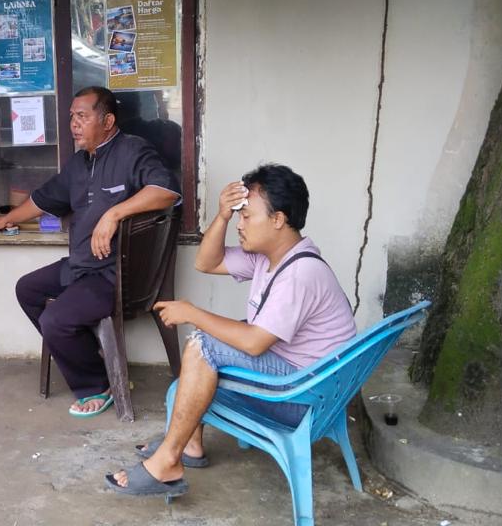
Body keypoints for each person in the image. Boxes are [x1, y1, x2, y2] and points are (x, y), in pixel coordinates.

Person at [105, 164, 357, 497]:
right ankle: (189, 444)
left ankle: (168, 459)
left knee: (205, 345)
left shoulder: (300, 274)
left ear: (278, 219)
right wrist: (222, 216)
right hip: (303, 381)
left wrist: (192, 313)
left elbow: (254, 344)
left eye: (247, 216)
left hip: (304, 398)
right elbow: (206, 263)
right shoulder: (271, 257)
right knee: (215, 339)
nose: (240, 224)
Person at [0, 86, 181, 417]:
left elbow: (166, 191)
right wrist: (7, 218)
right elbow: (43, 199)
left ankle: (97, 384)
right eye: (71, 117)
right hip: (81, 266)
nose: (74, 124)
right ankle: (91, 357)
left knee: (55, 320)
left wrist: (114, 214)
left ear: (107, 121)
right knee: (28, 289)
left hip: (115, 273)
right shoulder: (79, 164)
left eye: (82, 116)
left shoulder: (133, 150)